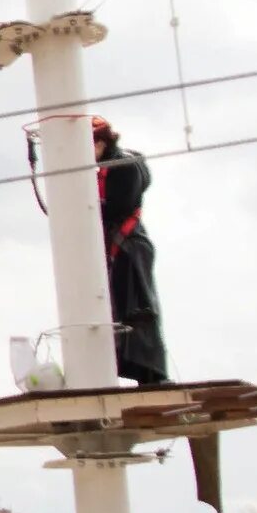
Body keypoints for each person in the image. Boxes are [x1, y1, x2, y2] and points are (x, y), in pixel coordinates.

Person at [93, 116, 168, 386]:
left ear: (99, 144)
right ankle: (128, 366)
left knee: (137, 307)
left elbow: (114, 208)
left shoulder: (123, 167)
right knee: (118, 307)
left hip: (129, 245)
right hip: (120, 245)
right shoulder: (106, 168)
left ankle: (151, 374)